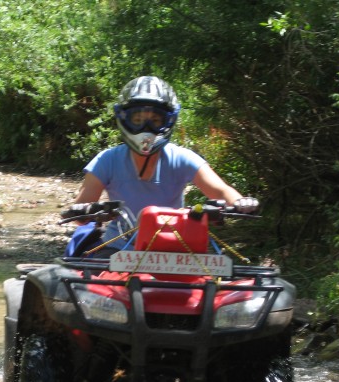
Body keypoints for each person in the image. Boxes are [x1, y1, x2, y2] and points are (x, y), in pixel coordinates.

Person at [65, 75, 258, 257]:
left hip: (174, 251)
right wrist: (87, 211)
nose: (146, 128)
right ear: (124, 118)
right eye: (138, 120)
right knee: (91, 286)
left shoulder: (181, 158)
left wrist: (240, 202)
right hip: (118, 249)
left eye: (155, 120)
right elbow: (80, 213)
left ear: (168, 120)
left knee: (212, 286)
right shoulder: (107, 160)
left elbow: (221, 190)